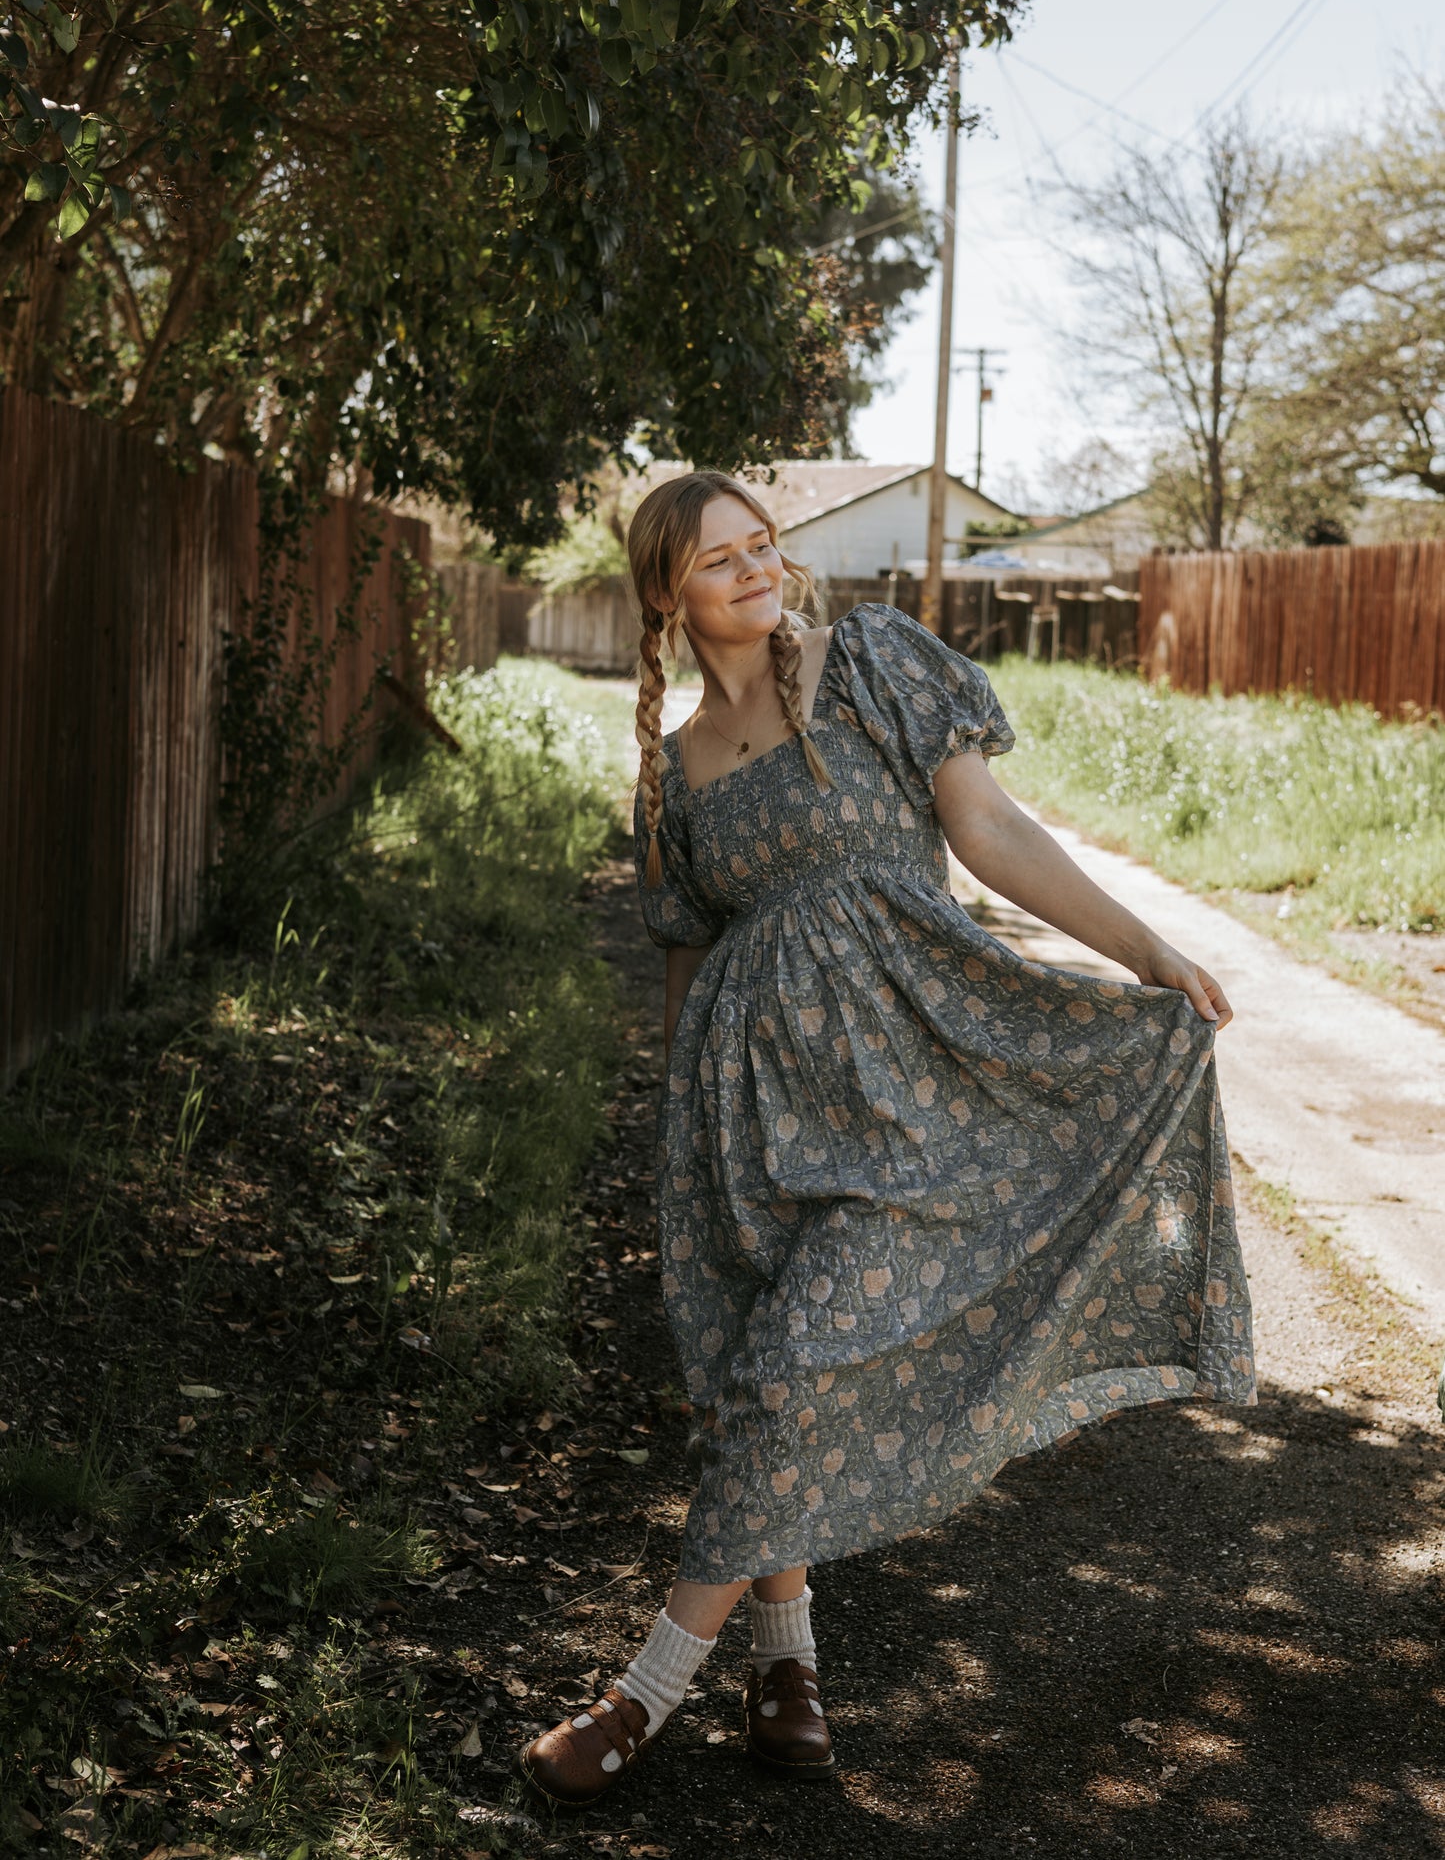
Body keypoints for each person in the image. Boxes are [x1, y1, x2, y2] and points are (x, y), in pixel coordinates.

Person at [518, 469, 1255, 1807]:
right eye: (717, 558)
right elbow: (686, 965)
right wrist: (677, 1149)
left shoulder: (866, 662)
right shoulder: (677, 765)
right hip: (750, 1122)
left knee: (792, 1368)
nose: (755, 570)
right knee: (756, 1365)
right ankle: (787, 1668)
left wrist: (1145, 949)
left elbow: (987, 830)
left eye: (763, 545)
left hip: (913, 1093)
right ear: (665, 594)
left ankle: (641, 1697)